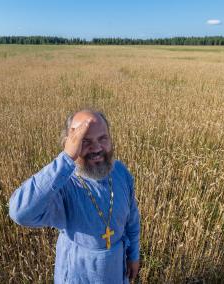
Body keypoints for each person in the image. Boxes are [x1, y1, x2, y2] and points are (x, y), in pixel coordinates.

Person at [9, 109, 140, 283]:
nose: (97, 148)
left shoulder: (121, 172)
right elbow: (20, 212)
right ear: (70, 144)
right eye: (85, 141)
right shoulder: (63, 185)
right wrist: (66, 159)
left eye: (103, 138)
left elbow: (132, 219)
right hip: (78, 273)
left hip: (116, 270)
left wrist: (133, 255)